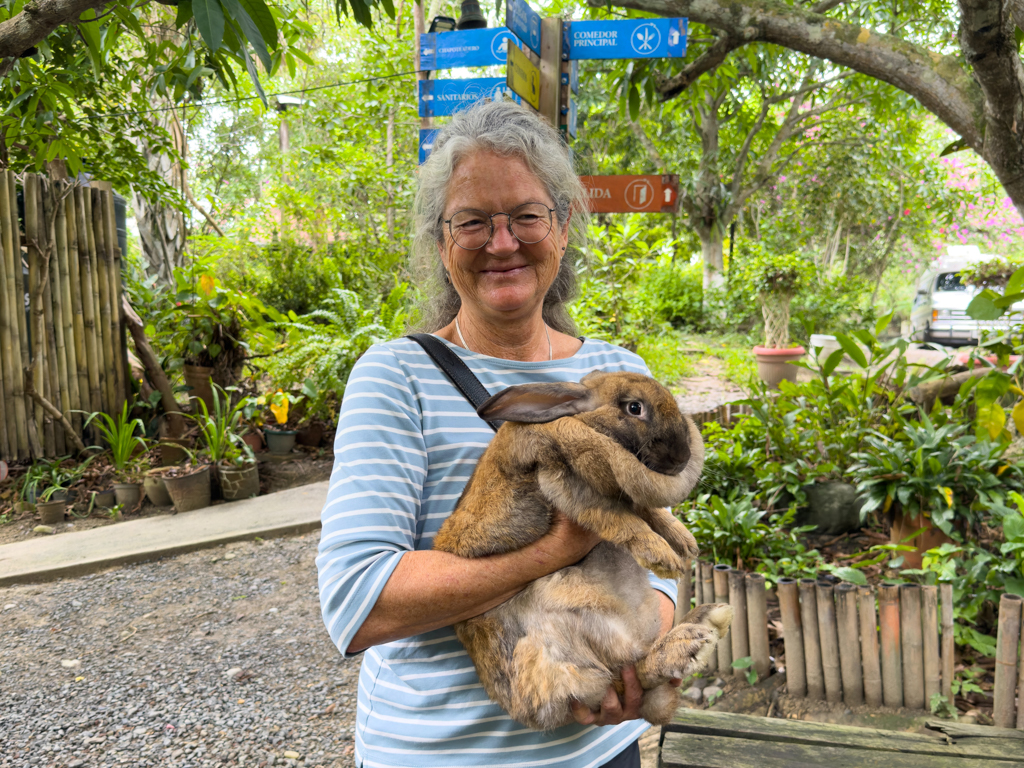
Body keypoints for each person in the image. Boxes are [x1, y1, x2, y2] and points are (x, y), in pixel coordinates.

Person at [316, 99, 680, 768]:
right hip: (438, 754)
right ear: (441, 243)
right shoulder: (395, 377)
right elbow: (358, 601)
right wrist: (555, 550)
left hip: (601, 751)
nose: (503, 241)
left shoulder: (622, 375)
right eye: (473, 221)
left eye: (525, 216)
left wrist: (637, 648)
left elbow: (661, 552)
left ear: (564, 226)